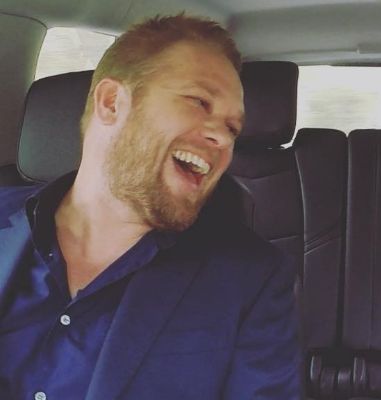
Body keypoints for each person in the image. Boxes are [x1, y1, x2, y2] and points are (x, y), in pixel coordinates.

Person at [0, 14, 302, 399]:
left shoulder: (251, 281)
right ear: (112, 103)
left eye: (232, 129)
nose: (223, 140)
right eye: (199, 101)